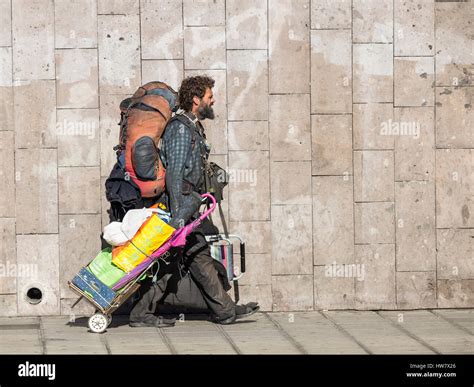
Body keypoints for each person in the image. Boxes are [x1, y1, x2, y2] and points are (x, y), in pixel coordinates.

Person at [129, 75, 259, 327]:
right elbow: (175, 173)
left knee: (198, 255)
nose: (214, 100)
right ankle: (140, 313)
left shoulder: (192, 127)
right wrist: (179, 213)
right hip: (181, 207)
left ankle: (224, 311)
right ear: (196, 99)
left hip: (190, 205)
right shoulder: (180, 128)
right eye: (210, 97)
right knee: (169, 262)